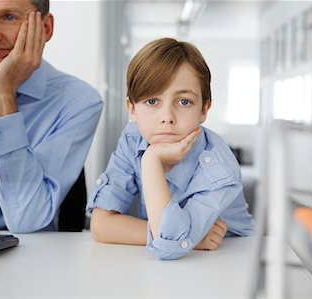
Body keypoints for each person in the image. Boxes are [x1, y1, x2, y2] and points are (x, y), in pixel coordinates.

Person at [86, 38, 254, 260]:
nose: (167, 118)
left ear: (204, 109)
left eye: (184, 102)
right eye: (152, 101)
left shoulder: (218, 167)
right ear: (132, 109)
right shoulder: (133, 138)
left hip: (232, 258)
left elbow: (171, 246)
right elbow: (100, 226)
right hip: (187, 260)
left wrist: (151, 160)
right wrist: (190, 238)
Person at [0, 0, 103, 232]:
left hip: (23, 255)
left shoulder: (78, 101)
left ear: (45, 28)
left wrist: (4, 93)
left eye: (8, 17)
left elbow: (27, 220)